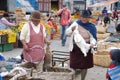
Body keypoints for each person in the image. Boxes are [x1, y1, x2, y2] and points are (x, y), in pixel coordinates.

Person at [66, 10, 97, 80]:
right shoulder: (76, 23)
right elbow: (67, 33)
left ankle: (82, 79)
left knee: (84, 66)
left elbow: (93, 37)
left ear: (89, 18)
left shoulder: (92, 26)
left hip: (86, 48)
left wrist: (92, 43)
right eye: (83, 17)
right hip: (75, 48)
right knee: (73, 65)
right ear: (80, 17)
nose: (84, 19)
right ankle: (72, 78)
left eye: (86, 17)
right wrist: (71, 29)